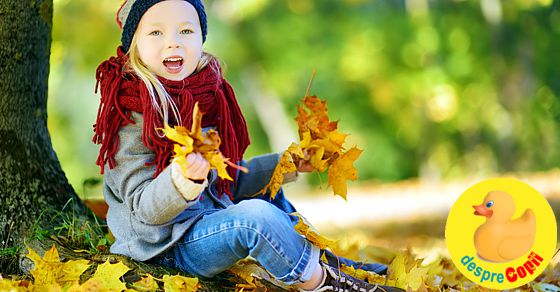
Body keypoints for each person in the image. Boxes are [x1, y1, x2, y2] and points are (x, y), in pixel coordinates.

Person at [93, 1, 403, 291]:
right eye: (156, 32)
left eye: (185, 30)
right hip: (165, 248)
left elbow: (227, 182)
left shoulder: (205, 98)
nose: (173, 41)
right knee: (255, 217)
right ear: (134, 43)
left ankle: (328, 262)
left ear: (201, 38)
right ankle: (321, 282)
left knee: (270, 192)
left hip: (205, 224)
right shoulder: (129, 114)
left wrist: (287, 163)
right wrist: (181, 182)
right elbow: (143, 210)